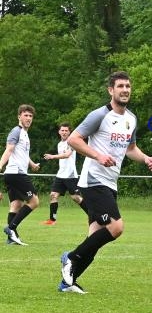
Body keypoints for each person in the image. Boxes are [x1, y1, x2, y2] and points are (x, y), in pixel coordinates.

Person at [59, 71, 152, 294]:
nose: (125, 90)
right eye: (120, 86)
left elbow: (130, 149)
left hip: (110, 183)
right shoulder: (99, 115)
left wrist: (146, 158)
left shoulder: (131, 119)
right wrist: (98, 156)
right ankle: (70, 258)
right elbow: (74, 139)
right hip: (93, 181)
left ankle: (68, 282)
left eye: (128, 86)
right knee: (115, 227)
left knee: (94, 236)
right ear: (110, 90)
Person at [0, 104, 41, 245]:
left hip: (14, 174)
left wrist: (32, 164)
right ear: (19, 116)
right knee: (34, 201)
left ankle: (11, 240)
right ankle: (11, 228)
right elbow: (9, 150)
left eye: (30, 116)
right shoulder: (16, 131)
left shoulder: (24, 134)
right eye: (25, 115)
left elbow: (22, 153)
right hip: (16, 173)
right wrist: (0, 166)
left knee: (16, 205)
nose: (28, 118)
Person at [42, 123, 88, 225]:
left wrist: (52, 156)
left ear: (69, 132)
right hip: (60, 175)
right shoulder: (59, 144)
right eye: (62, 130)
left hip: (70, 175)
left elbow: (67, 155)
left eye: (66, 130)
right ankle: (52, 220)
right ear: (59, 132)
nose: (64, 132)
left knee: (76, 198)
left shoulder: (71, 142)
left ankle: (92, 215)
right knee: (53, 195)